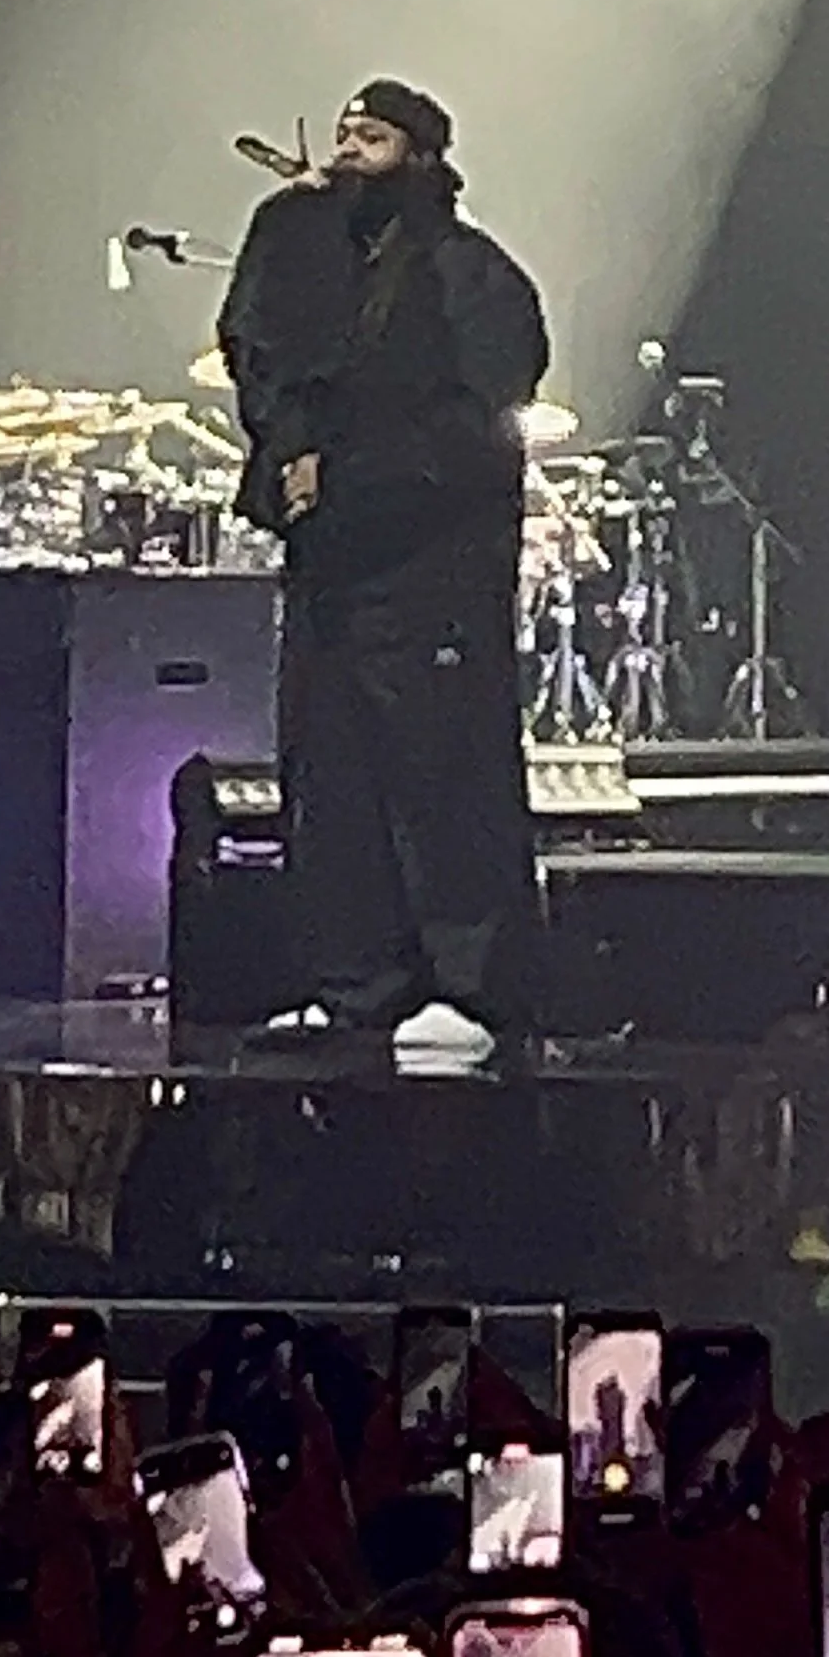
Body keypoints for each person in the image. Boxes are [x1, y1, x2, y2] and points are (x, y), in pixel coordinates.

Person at [217, 75, 549, 1065]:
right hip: (333, 566)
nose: (351, 150)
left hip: (430, 563)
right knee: (333, 774)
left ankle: (468, 984)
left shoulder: (473, 276)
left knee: (442, 773)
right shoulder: (310, 260)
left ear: (423, 158)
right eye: (346, 133)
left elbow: (476, 421)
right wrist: (289, 467)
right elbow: (262, 363)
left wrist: (351, 477)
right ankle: (354, 981)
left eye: (375, 138)